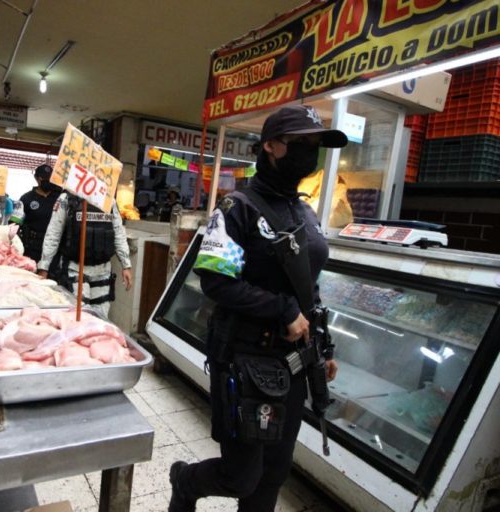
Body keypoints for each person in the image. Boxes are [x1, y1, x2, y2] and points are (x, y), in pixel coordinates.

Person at [168, 104, 347, 512]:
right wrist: (282, 310)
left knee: (273, 475)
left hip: (295, 362)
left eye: (315, 144)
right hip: (245, 359)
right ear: (271, 145)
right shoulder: (237, 209)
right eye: (301, 143)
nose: (311, 152)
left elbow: (307, 287)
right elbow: (216, 282)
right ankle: (185, 481)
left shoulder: (305, 212)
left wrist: (323, 346)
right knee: (241, 476)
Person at [37, 191, 132, 317]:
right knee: (79, 317)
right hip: (75, 269)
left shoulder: (109, 200)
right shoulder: (66, 199)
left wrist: (126, 265)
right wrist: (44, 267)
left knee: (101, 317)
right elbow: (53, 233)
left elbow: (118, 232)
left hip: (102, 271)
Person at [9, 164, 62, 262]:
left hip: (54, 245)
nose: (48, 181)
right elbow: (14, 223)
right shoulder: (26, 198)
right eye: (44, 178)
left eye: (50, 178)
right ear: (36, 178)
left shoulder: (60, 198)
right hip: (32, 246)